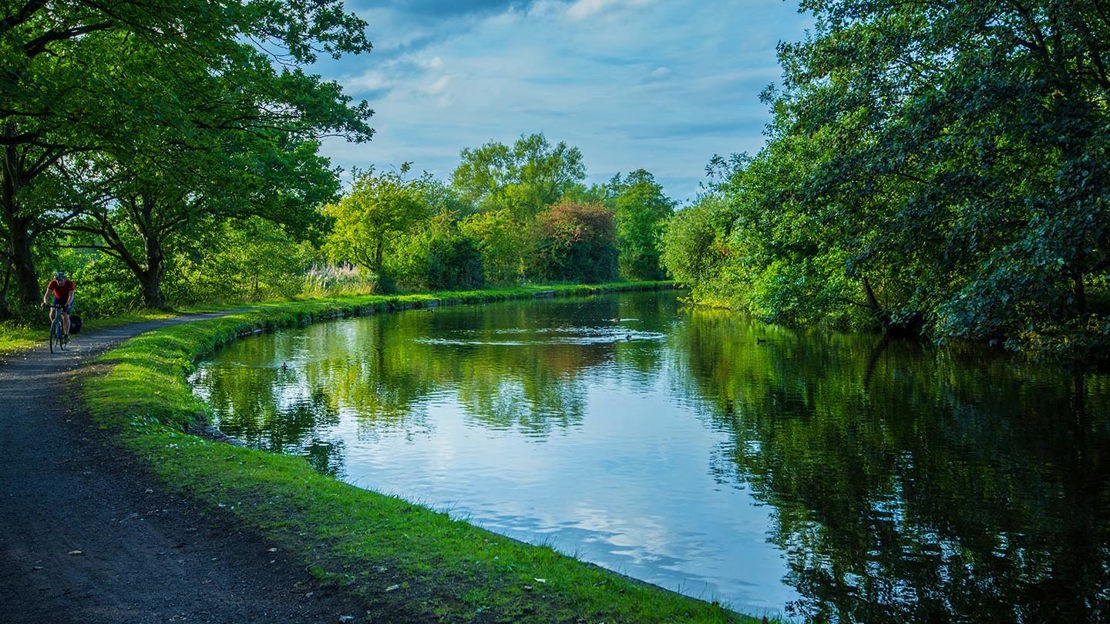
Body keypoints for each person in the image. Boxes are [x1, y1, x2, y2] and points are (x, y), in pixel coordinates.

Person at [43, 271, 76, 341]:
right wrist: (45, 302)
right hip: (58, 298)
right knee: (52, 313)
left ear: (64, 279)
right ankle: (55, 326)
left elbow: (71, 296)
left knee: (65, 315)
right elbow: (47, 294)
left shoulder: (70, 283)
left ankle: (66, 335)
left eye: (61, 280)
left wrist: (68, 304)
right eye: (58, 280)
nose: (60, 282)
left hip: (68, 299)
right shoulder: (52, 283)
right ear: (55, 280)